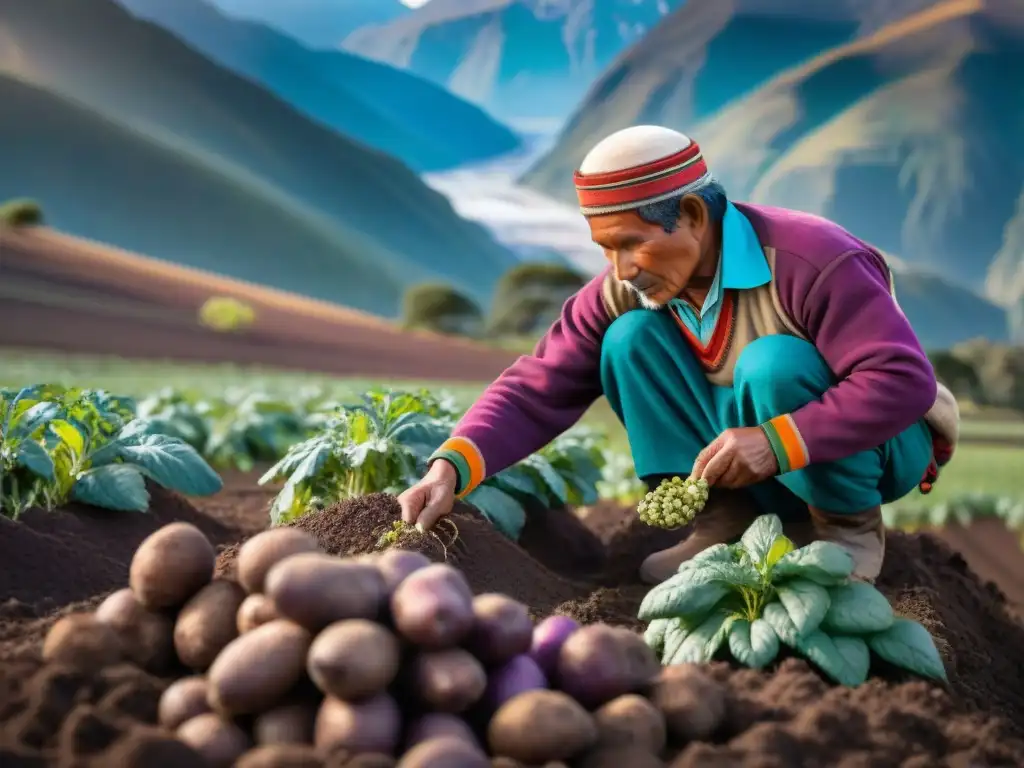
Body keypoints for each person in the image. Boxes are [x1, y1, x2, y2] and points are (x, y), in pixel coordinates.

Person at [398, 125, 960, 584]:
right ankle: (726, 520)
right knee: (628, 340)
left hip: (881, 447)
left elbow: (901, 380)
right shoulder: (627, 288)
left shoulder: (813, 261)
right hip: (755, 447)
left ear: (692, 214)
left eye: (632, 243)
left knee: (774, 365)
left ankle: (845, 529)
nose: (622, 269)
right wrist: (453, 465)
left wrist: (776, 440)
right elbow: (539, 382)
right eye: (606, 249)